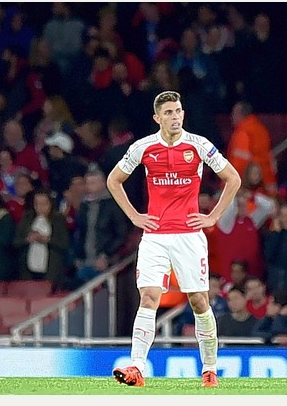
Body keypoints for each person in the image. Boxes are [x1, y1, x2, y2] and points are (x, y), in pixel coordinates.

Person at [107, 90, 241, 388]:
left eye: (178, 111)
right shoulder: (143, 148)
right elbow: (113, 181)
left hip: (189, 236)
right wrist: (134, 216)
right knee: (149, 297)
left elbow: (233, 178)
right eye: (168, 112)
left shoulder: (199, 145)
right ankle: (136, 368)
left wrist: (213, 217)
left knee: (198, 301)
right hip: (154, 236)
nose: (175, 116)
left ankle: (209, 369)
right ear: (157, 118)